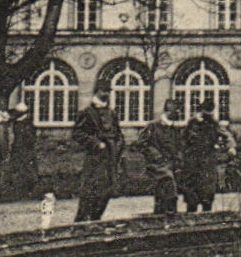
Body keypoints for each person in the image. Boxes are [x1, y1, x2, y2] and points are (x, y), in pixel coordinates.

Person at [71, 88, 124, 222]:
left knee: (108, 189)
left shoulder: (112, 113)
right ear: (96, 93)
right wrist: (95, 143)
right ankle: (82, 220)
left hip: (112, 156)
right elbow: (77, 133)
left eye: (108, 92)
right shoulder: (87, 113)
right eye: (103, 91)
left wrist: (119, 146)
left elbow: (118, 133)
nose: (106, 94)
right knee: (91, 188)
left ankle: (96, 218)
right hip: (96, 156)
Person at [135, 100, 184, 215]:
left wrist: (178, 158)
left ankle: (161, 216)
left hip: (171, 164)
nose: (178, 113)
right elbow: (141, 143)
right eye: (175, 111)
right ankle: (170, 212)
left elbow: (179, 146)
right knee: (168, 183)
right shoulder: (153, 126)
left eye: (179, 111)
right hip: (156, 164)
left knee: (162, 191)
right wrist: (155, 155)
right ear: (167, 111)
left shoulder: (175, 129)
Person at [179, 100, 223, 213]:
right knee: (192, 193)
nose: (208, 114)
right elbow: (183, 139)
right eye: (206, 111)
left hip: (207, 162)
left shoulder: (213, 123)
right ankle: (191, 215)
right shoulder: (193, 123)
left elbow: (223, 135)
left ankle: (206, 216)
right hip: (193, 160)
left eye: (210, 112)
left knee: (207, 194)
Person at [0, 101, 39, 202]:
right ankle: (23, 191)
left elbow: (28, 139)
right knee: (21, 170)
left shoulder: (24, 124)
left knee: (26, 170)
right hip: (20, 151)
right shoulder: (20, 123)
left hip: (24, 151)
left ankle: (29, 191)